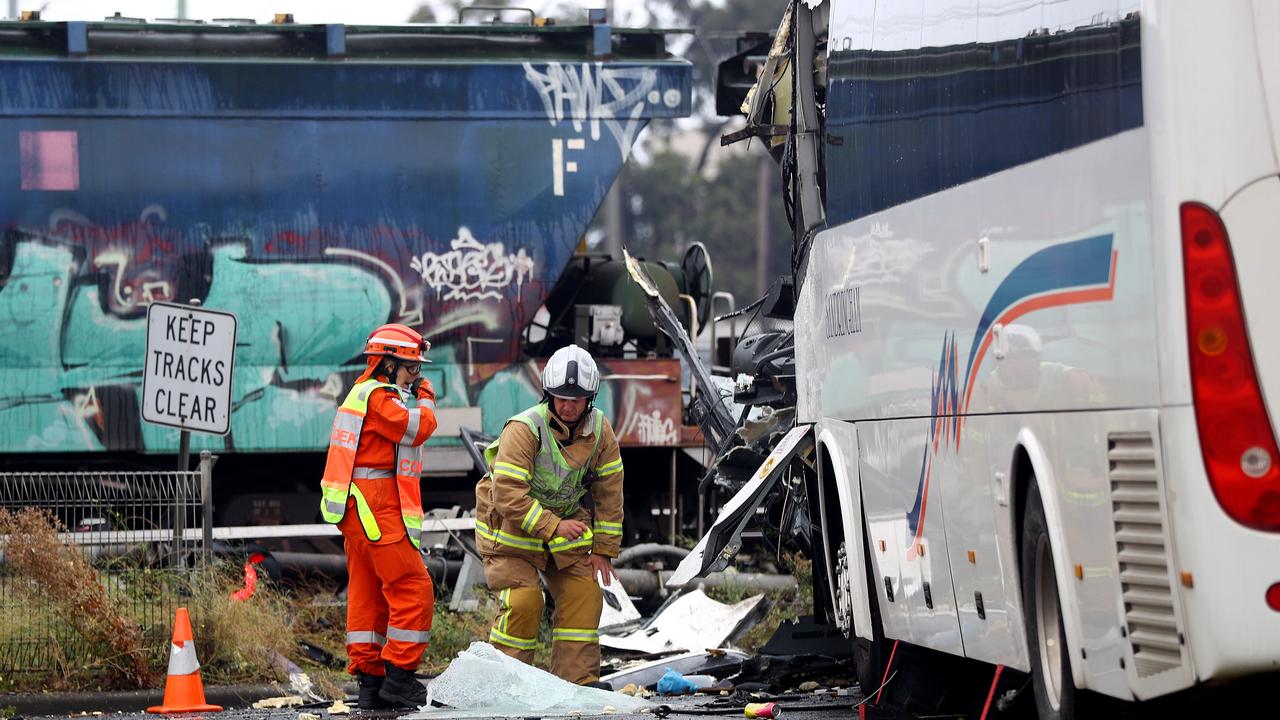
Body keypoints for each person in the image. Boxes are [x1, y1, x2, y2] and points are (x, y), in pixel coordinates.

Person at [474, 344, 625, 685]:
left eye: (577, 399)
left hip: (562, 534)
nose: (569, 406)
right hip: (512, 534)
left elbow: (610, 493)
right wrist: (553, 525)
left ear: (591, 398)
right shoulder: (525, 429)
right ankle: (507, 686)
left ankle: (576, 687)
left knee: (585, 594)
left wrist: (603, 549)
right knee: (525, 602)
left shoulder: (601, 431)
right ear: (548, 394)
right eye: (561, 398)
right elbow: (507, 496)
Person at [319, 323, 438, 709]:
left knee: (368, 595)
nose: (415, 376)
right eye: (411, 368)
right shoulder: (381, 398)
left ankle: (371, 681)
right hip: (376, 504)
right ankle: (399, 678)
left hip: (359, 506)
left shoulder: (363, 393)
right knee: (412, 587)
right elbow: (417, 428)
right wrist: (427, 397)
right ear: (387, 364)